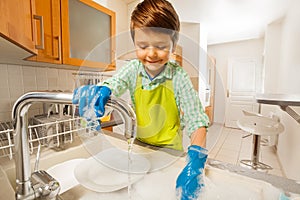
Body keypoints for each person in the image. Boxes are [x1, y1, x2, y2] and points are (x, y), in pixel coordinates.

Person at [72, 0, 209, 199]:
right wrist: (102, 90)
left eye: (161, 46)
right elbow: (115, 84)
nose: (151, 54)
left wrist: (196, 163)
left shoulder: (179, 77)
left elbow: (197, 120)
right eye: (143, 46)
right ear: (134, 43)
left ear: (174, 45)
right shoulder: (132, 69)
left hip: (170, 155)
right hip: (140, 151)